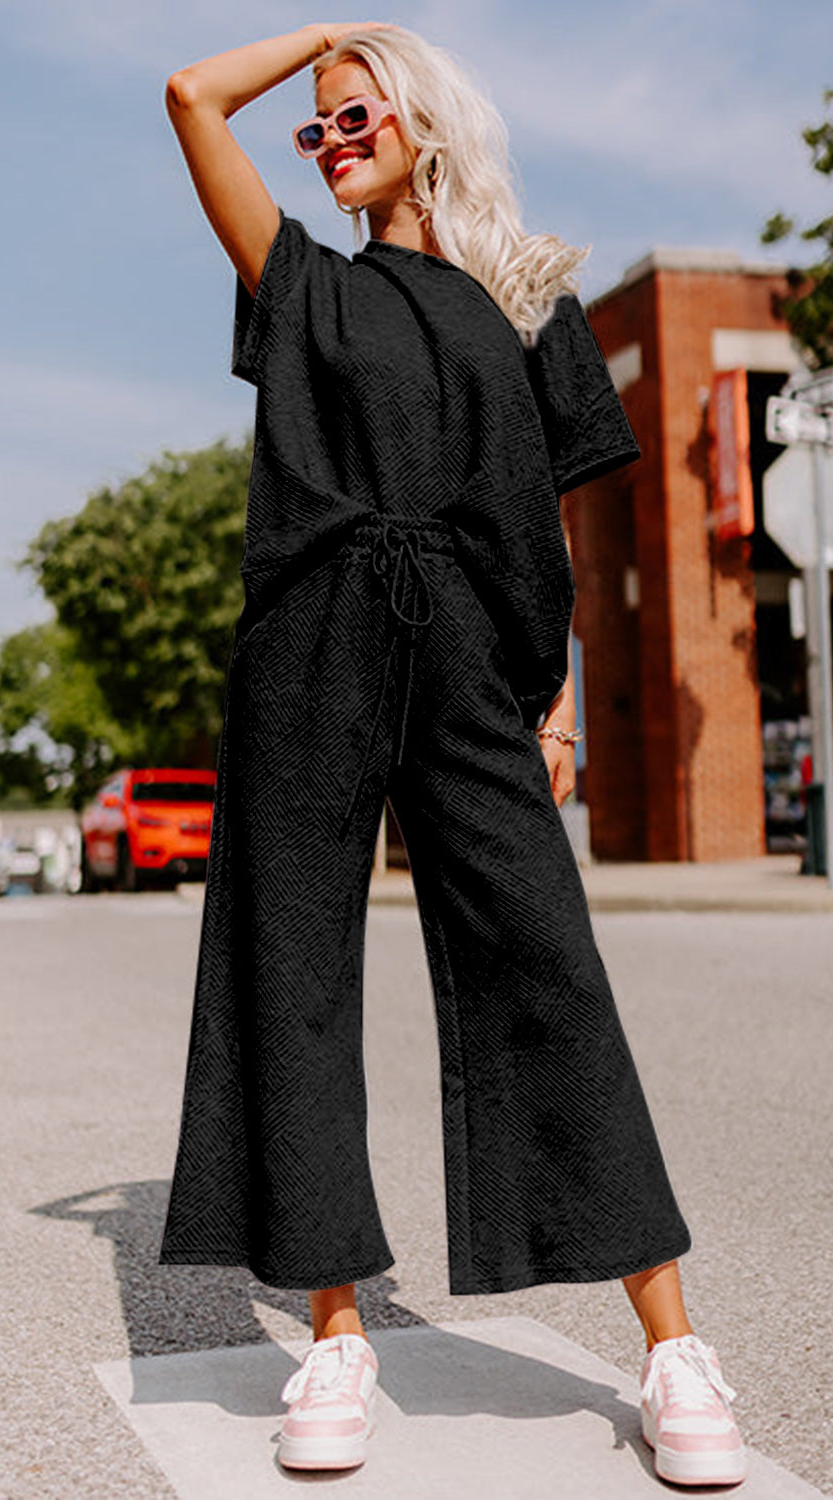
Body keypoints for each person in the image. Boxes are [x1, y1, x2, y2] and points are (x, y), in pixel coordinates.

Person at [158, 22, 746, 1487]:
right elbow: (186, 95)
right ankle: (336, 1335)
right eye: (314, 130)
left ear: (419, 122)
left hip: (479, 664)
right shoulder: (299, 285)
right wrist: (327, 35)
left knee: (546, 968)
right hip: (311, 644)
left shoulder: (532, 302)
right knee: (288, 977)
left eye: (352, 115)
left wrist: (553, 704)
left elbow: (556, 525)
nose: (329, 139)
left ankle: (673, 1347)